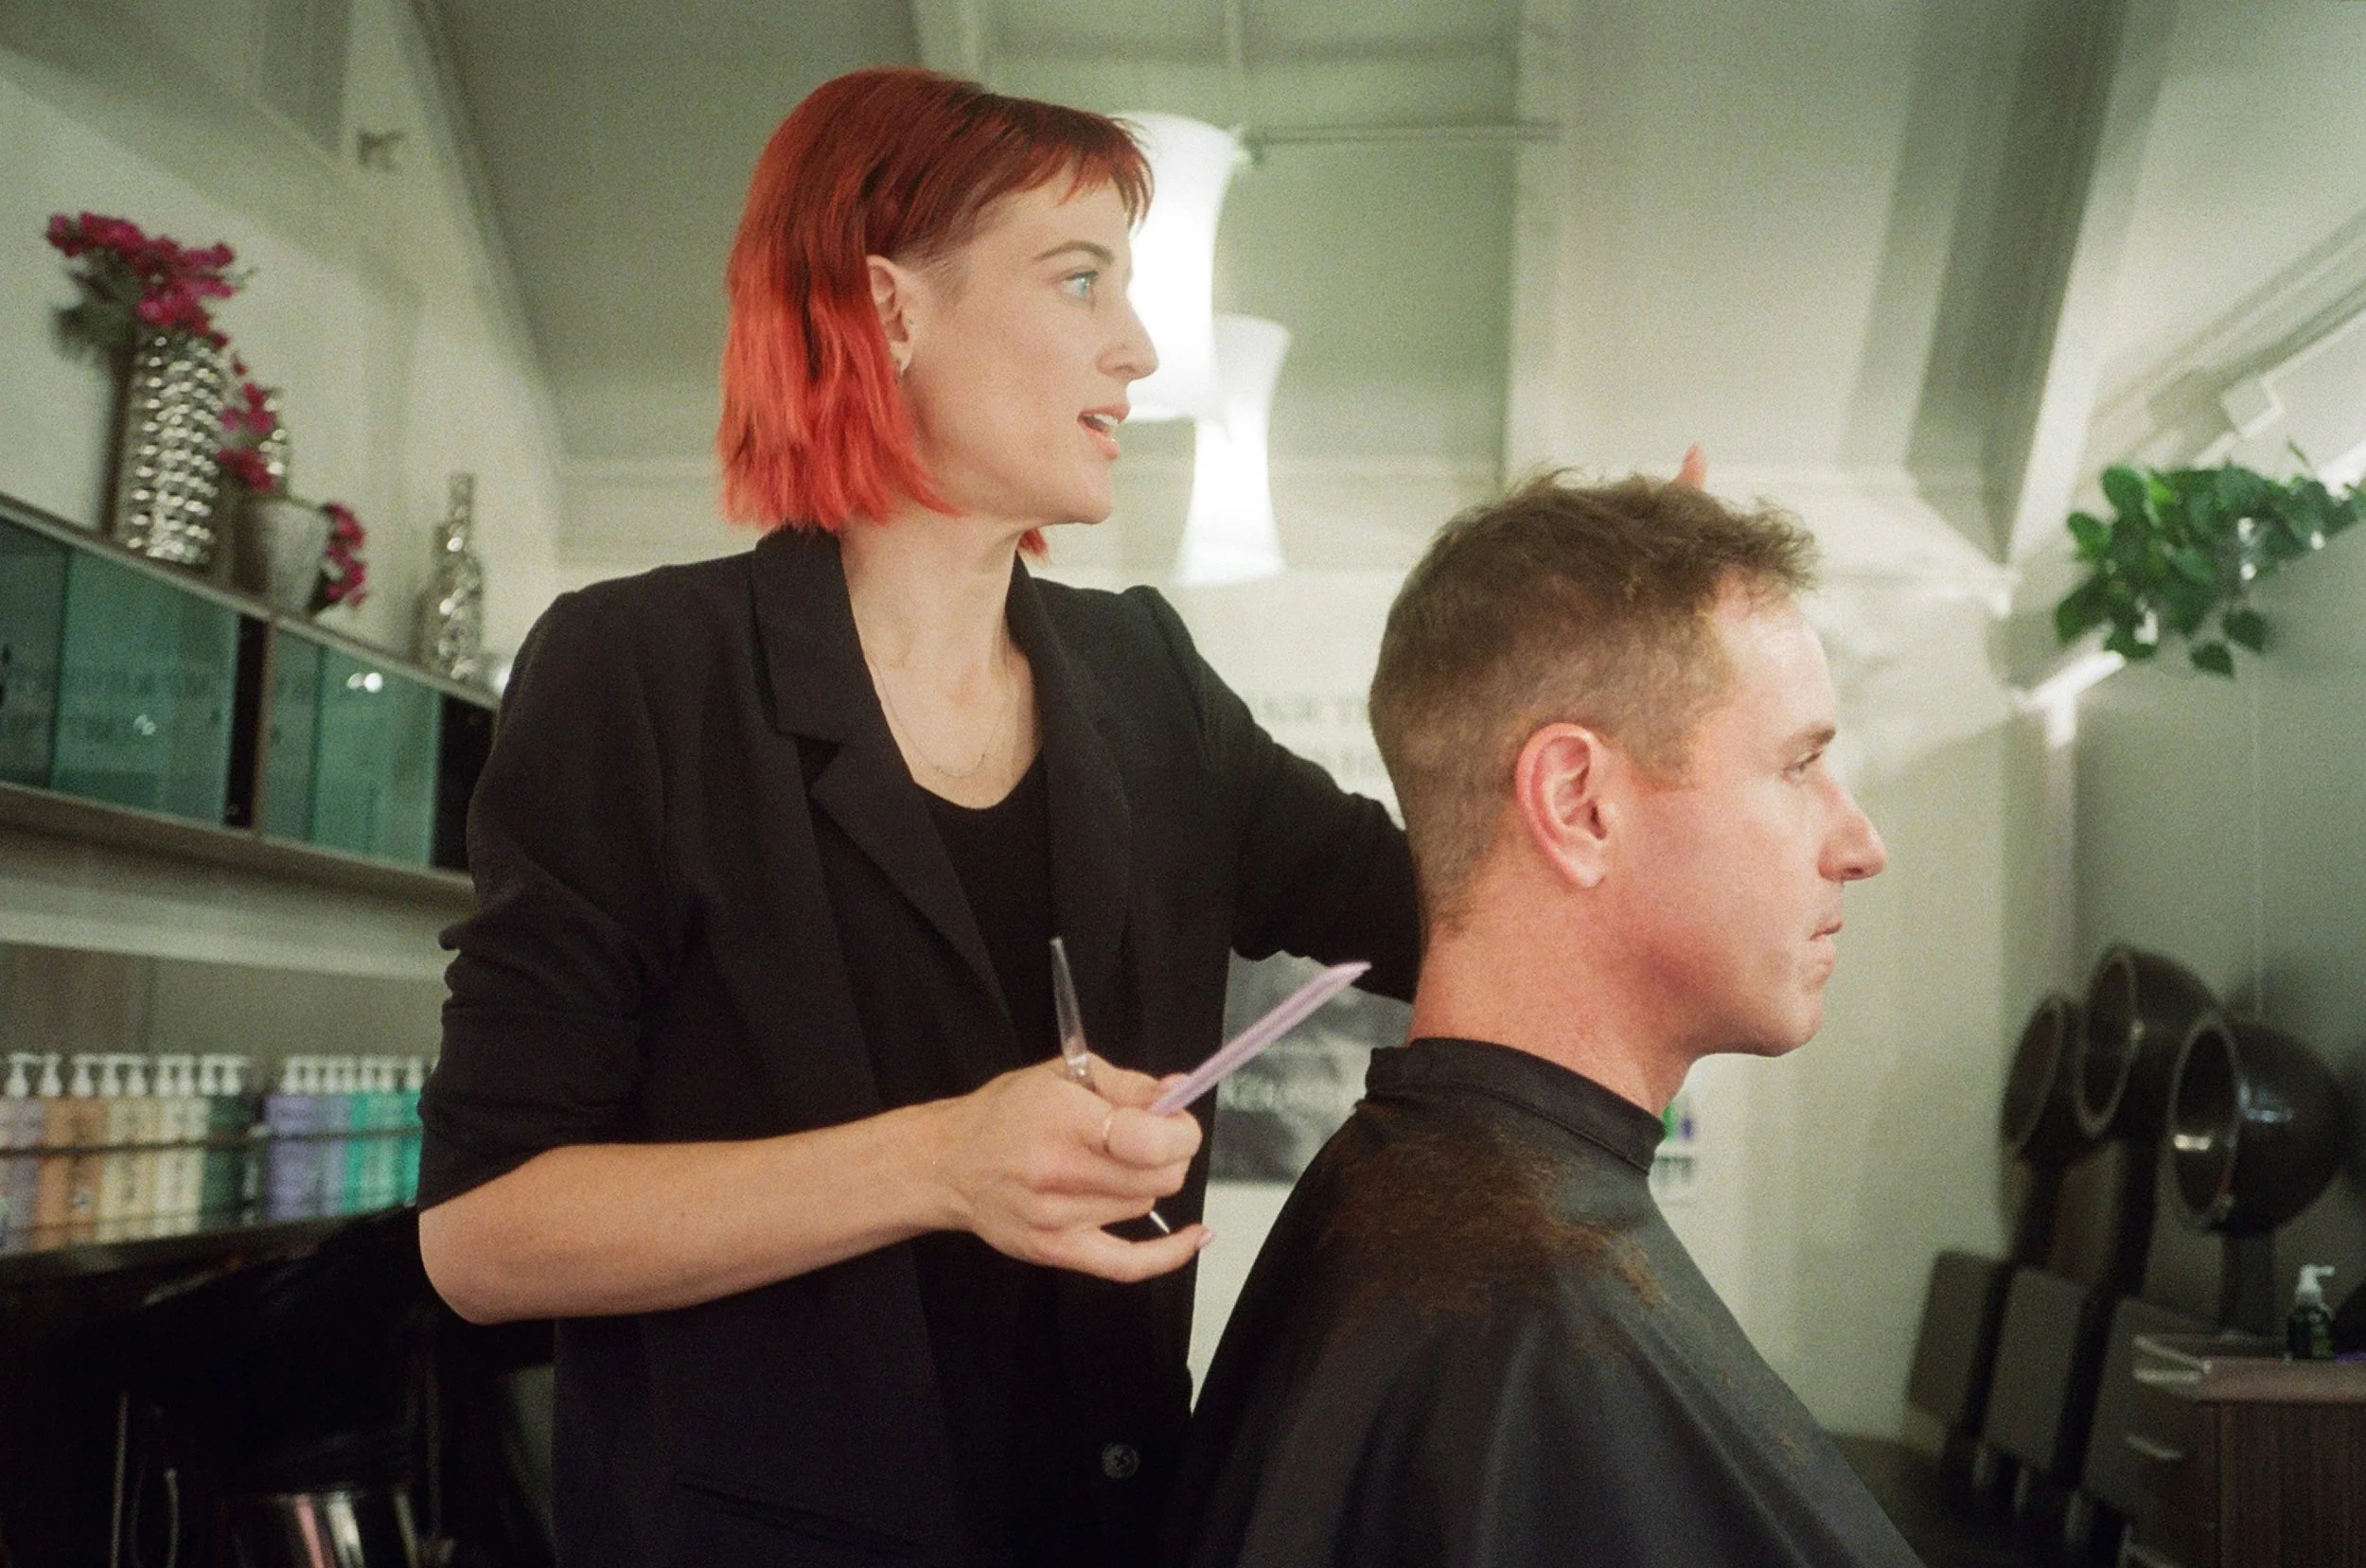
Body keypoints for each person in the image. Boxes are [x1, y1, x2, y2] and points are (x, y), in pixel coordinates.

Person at [413, 68, 1421, 1568]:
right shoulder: (642, 677)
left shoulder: (1146, 678)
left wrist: (1613, 660)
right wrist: (945, 1163)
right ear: (887, 313)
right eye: (1079, 279)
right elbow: (484, 1238)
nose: (1138, 350)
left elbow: (1425, 907)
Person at [1162, 473, 1919, 1568]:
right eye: (1797, 764)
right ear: (1576, 804)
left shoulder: (1429, 1223)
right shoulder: (1522, 1322)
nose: (1859, 843)